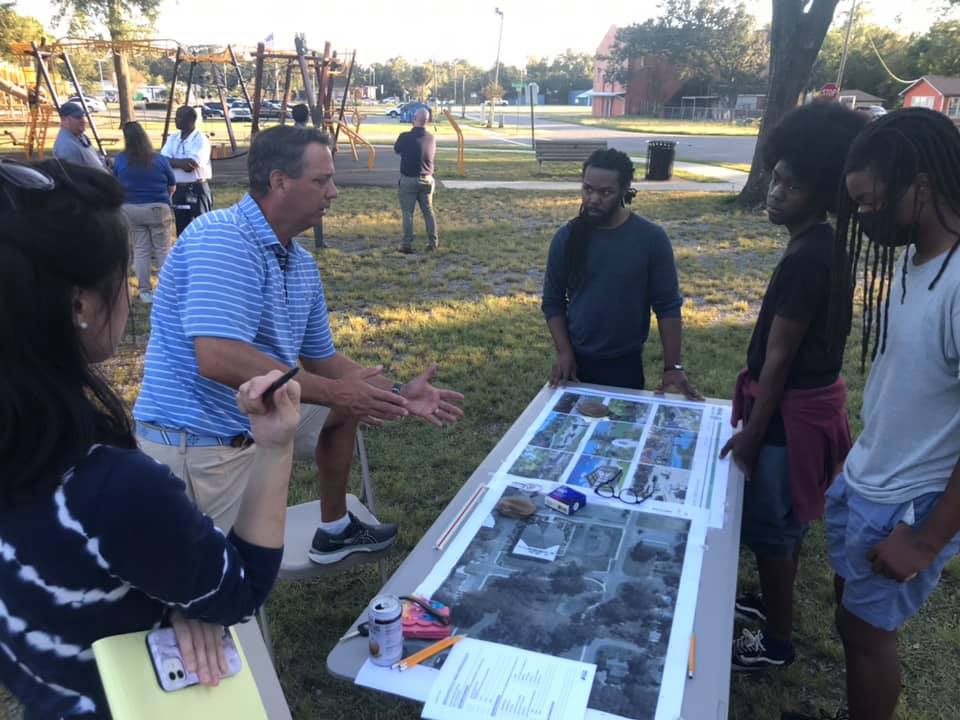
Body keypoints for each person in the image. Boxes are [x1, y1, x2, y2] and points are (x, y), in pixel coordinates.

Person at [0, 158, 301, 720]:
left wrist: (172, 586)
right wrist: (276, 444)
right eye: (120, 277)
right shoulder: (108, 488)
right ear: (81, 305)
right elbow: (237, 591)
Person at [134, 125, 464, 563]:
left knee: (342, 406)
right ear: (279, 182)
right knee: (209, 594)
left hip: (255, 420)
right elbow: (215, 356)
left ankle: (334, 529)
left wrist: (398, 392)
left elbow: (323, 360)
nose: (334, 192)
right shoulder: (223, 237)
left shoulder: (299, 262)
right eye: (322, 180)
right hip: (197, 440)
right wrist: (333, 392)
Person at [786, 107, 960, 720]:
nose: (860, 218)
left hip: (909, 504)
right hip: (870, 478)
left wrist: (928, 537)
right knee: (849, 617)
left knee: (867, 636)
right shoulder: (918, 263)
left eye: (867, 202)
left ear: (921, 184)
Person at [719, 103, 867, 673]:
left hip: (787, 420)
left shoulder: (811, 256)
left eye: (792, 186)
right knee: (791, 521)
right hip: (802, 410)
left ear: (824, 190)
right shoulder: (820, 242)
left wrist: (755, 434)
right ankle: (771, 606)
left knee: (773, 531)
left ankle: (776, 642)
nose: (775, 193)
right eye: (775, 178)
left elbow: (779, 359)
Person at [541, 148, 701, 398]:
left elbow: (667, 306)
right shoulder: (567, 237)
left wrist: (673, 367)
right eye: (588, 189)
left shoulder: (651, 239)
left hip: (625, 363)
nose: (593, 199)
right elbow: (552, 302)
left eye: (605, 192)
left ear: (625, 190)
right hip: (575, 362)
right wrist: (564, 352)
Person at [113, 121, 176, 304]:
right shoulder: (159, 159)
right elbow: (171, 184)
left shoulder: (121, 160)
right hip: (157, 207)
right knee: (163, 249)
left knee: (141, 250)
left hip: (131, 208)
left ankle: (145, 291)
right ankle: (167, 290)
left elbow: (115, 181)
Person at [160, 105, 212, 236]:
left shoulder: (201, 140)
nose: (176, 120)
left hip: (197, 188)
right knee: (182, 230)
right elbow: (161, 161)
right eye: (176, 116)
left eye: (179, 117)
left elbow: (190, 165)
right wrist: (180, 163)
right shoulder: (173, 138)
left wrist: (172, 162)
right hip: (179, 190)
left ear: (191, 119)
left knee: (202, 227)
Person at [394, 107, 438, 253]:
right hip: (427, 179)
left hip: (409, 180)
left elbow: (397, 150)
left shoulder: (405, 136)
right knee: (428, 212)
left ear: (413, 119)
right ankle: (433, 242)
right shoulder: (432, 138)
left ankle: (407, 244)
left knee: (408, 213)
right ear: (428, 121)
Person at [51, 101, 107, 171]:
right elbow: (78, 179)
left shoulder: (80, 136)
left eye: (83, 117)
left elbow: (93, 160)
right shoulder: (66, 146)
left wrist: (106, 162)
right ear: (64, 120)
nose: (83, 121)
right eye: (78, 117)